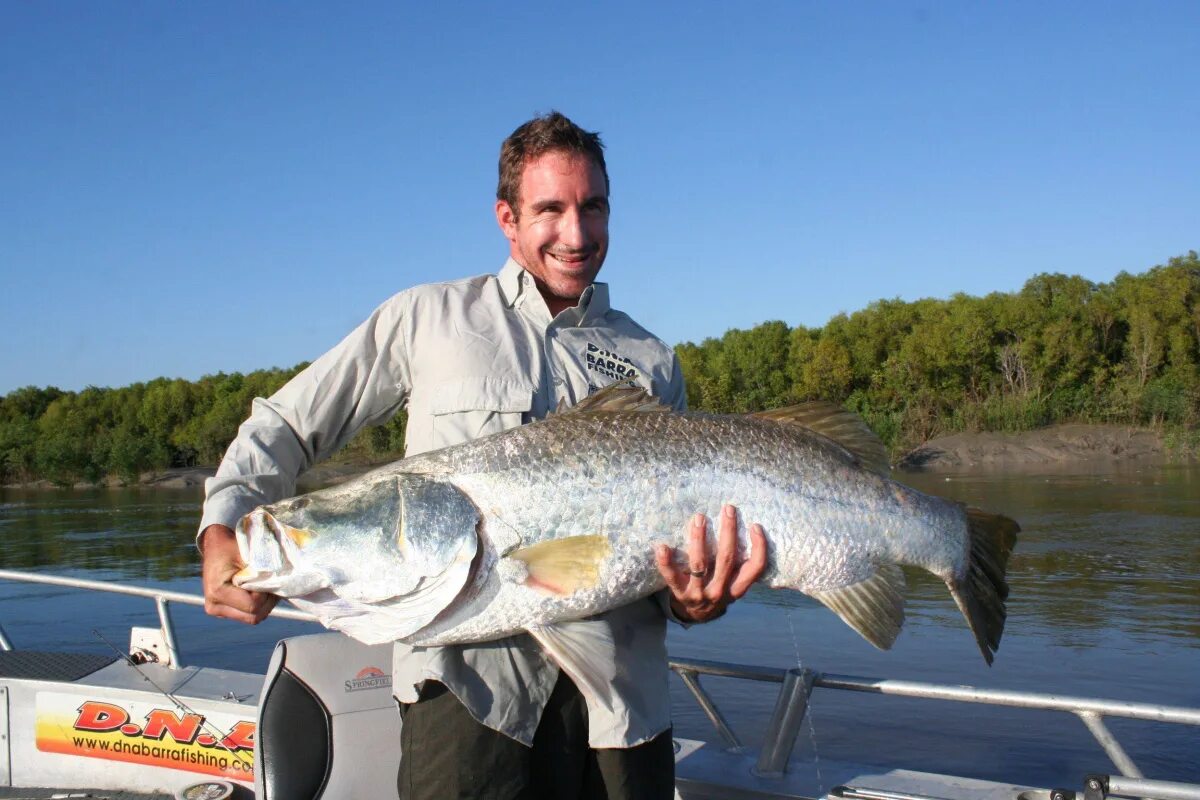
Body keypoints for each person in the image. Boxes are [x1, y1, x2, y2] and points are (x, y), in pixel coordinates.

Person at [198, 111, 767, 800]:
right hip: (470, 700)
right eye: (550, 209)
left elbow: (675, 553)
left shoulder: (652, 360)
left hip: (622, 712)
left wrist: (695, 601)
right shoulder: (426, 319)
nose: (576, 234)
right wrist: (224, 524)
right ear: (507, 217)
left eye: (593, 208)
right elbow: (285, 424)